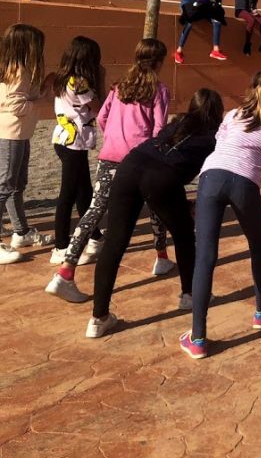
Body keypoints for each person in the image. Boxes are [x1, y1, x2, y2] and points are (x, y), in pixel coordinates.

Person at [87, 89, 224, 338]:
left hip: (130, 165)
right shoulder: (213, 138)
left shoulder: (177, 123)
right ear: (217, 112)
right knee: (184, 235)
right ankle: (190, 294)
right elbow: (209, 176)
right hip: (162, 177)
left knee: (114, 243)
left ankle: (98, 318)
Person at [46, 38, 171, 303]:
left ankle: (65, 271)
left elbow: (102, 116)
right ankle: (161, 257)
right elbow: (159, 129)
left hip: (110, 157)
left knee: (94, 209)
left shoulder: (119, 87)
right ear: (159, 62)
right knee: (156, 205)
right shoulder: (158, 90)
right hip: (140, 159)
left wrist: (114, 138)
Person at [181, 71, 261, 360]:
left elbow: (219, 144)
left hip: (211, 178)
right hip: (245, 183)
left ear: (251, 88)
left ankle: (198, 338)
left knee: (205, 256)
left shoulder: (232, 115)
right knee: (258, 246)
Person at [0, 24, 54, 264]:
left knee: (17, 184)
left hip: (20, 133)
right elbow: (16, 105)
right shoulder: (19, 71)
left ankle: (21, 232)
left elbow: (22, 99)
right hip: (10, 132)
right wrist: (40, 100)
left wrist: (43, 90)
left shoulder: (17, 69)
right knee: (5, 184)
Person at [50, 37, 104, 266]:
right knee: (68, 195)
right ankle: (61, 246)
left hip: (66, 140)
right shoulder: (79, 82)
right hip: (73, 142)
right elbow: (100, 107)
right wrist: (101, 80)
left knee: (84, 191)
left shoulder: (63, 77)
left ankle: (94, 236)